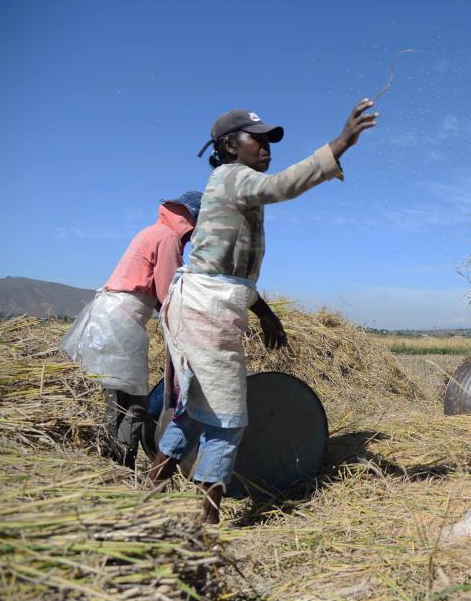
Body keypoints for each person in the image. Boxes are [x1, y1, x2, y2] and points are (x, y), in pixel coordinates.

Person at [148, 101, 377, 523]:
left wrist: (265, 313)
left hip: (204, 304)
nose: (267, 146)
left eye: (271, 139)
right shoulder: (234, 177)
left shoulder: (233, 184)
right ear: (229, 146)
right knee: (228, 418)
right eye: (259, 138)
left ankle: (153, 487)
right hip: (206, 308)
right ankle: (208, 520)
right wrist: (341, 144)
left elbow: (233, 275)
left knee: (192, 407)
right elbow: (282, 186)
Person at [61, 191, 202, 468]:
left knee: (114, 397)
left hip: (109, 317)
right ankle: (120, 468)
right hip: (119, 324)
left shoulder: (153, 231)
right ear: (190, 220)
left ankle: (108, 463)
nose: (190, 240)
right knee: (133, 403)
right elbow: (168, 293)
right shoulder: (168, 238)